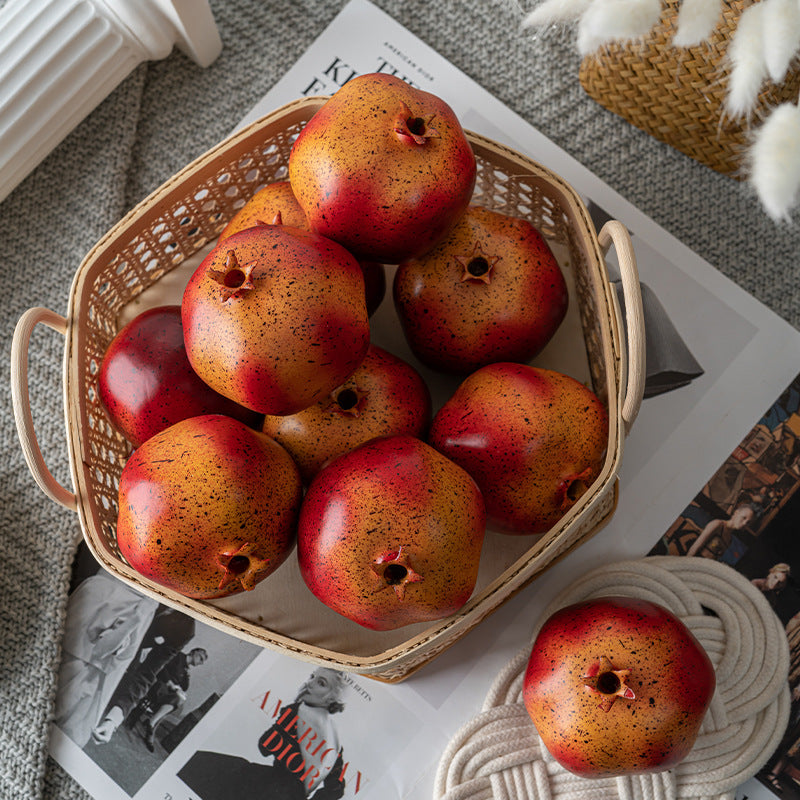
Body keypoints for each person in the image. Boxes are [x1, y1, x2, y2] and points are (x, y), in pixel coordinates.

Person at [177, 667, 348, 799]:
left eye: (321, 683)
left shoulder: (327, 739)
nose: (310, 683)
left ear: (332, 698)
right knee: (201, 767)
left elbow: (335, 789)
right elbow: (264, 747)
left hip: (276, 792)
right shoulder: (298, 714)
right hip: (269, 782)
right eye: (312, 677)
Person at [53, 571, 158, 747]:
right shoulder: (141, 606)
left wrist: (113, 720)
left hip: (91, 680)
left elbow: (146, 673)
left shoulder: (155, 609)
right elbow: (103, 648)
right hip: (80, 675)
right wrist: (135, 619)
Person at [139, 647, 208, 751]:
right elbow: (163, 668)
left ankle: (151, 724)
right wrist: (170, 684)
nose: (201, 663)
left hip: (167, 693)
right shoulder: (178, 656)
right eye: (201, 659)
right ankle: (151, 727)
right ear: (194, 653)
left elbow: (185, 687)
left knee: (177, 701)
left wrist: (185, 679)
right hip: (158, 685)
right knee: (176, 702)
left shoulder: (186, 670)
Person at [685, 503, 756, 559]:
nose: (744, 523)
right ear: (736, 513)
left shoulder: (729, 540)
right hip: (694, 562)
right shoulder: (718, 524)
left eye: (748, 522)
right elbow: (695, 547)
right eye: (743, 518)